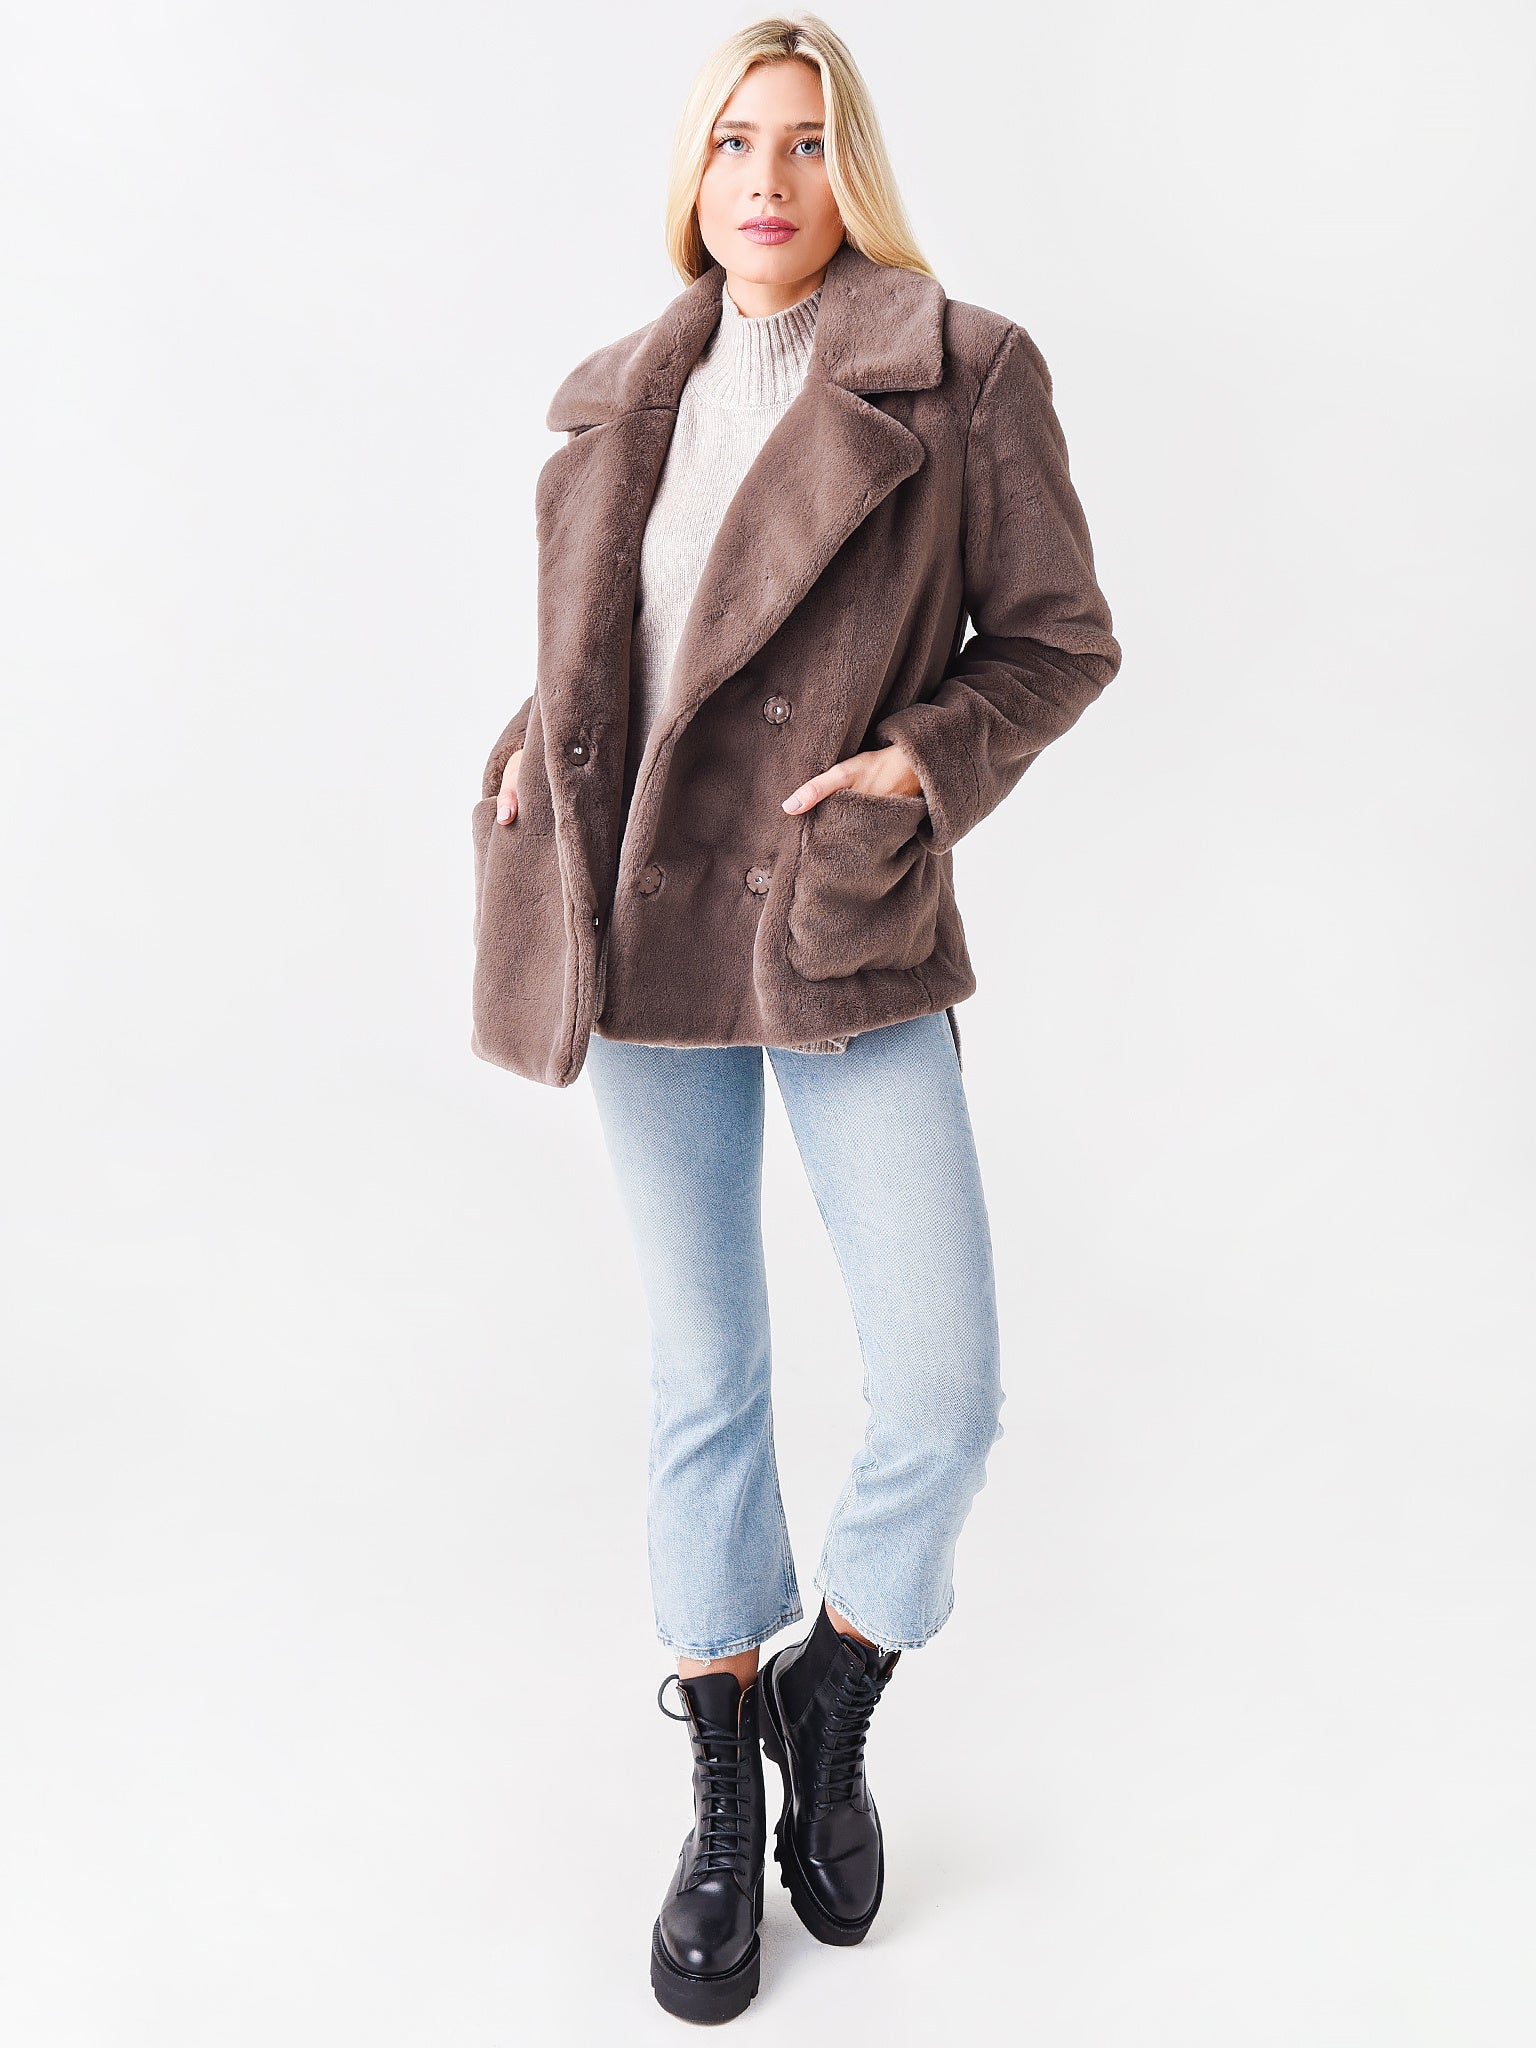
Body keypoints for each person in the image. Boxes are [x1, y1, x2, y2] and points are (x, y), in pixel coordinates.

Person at [469, 13, 1121, 2024]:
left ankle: (833, 1688)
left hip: (838, 925)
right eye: (736, 142)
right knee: (705, 1373)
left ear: (857, 169)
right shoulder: (617, 399)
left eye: (810, 143)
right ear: (694, 170)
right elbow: (629, 655)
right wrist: (529, 746)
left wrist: (923, 765)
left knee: (943, 1385)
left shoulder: (964, 370)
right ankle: (718, 1782)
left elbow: (1059, 640)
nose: (768, 180)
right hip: (641, 921)